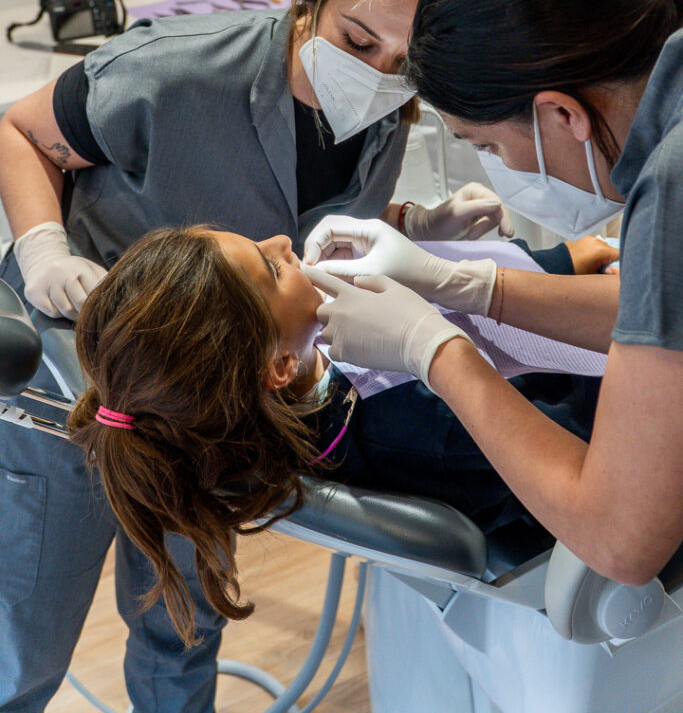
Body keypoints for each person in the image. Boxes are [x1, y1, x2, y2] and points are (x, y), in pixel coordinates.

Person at [0, 0, 510, 713]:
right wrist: (44, 246)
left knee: (184, 625)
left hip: (210, 407)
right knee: (24, 637)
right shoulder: (172, 75)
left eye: (407, 58)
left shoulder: (383, 111)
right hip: (74, 369)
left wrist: (414, 221)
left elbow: (302, 221)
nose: (380, 72)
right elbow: (22, 131)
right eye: (358, 38)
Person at [304, 0, 683, 587]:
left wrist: (437, 352)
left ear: (559, 113)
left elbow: (620, 539)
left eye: (487, 147)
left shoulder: (673, 181)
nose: (496, 170)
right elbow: (666, 307)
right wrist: (470, 286)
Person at [67, 224, 608, 646]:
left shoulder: (298, 400)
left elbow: (467, 306)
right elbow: (594, 445)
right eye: (273, 268)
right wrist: (621, 308)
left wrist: (551, 267)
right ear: (278, 367)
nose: (283, 241)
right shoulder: (419, 432)